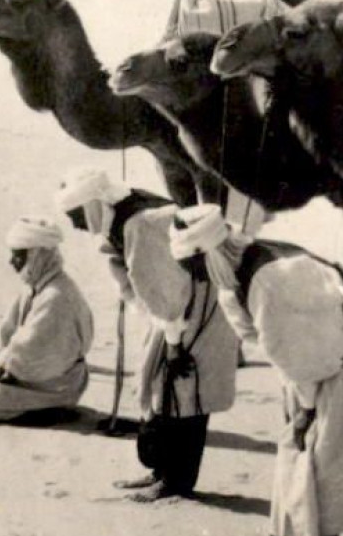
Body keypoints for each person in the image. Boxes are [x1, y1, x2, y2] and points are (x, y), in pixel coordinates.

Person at [169, 203, 343, 536]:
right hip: (313, 373)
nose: (190, 275)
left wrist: (304, 410)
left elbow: (307, 357)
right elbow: (269, 342)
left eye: (192, 266)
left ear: (209, 255)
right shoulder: (239, 270)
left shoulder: (271, 279)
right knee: (292, 461)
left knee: (318, 471)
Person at [55, 168, 238, 502]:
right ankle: (161, 471)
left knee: (184, 389)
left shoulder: (139, 223)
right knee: (162, 387)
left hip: (192, 305)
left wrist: (173, 343)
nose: (75, 225)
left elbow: (166, 291)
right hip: (179, 306)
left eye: (75, 215)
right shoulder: (123, 216)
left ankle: (177, 481)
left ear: (93, 205)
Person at [0, 217, 94, 422]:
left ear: (36, 256)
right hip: (35, 376)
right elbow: (4, 336)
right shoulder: (35, 286)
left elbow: (20, 356)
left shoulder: (56, 296)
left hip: (59, 384)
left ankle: (47, 409)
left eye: (18, 256)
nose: (11, 262)